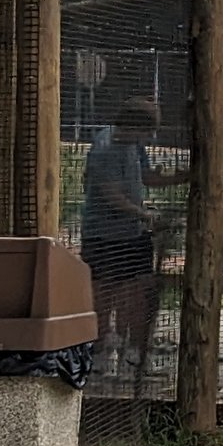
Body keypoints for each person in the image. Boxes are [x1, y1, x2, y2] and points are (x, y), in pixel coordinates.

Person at [82, 98, 166, 389]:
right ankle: (99, 353)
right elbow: (111, 194)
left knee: (139, 291)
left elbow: (147, 176)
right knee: (104, 293)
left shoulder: (135, 146)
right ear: (132, 126)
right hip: (103, 234)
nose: (150, 137)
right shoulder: (105, 147)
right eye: (147, 131)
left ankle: (133, 354)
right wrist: (144, 214)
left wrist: (184, 176)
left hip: (133, 233)